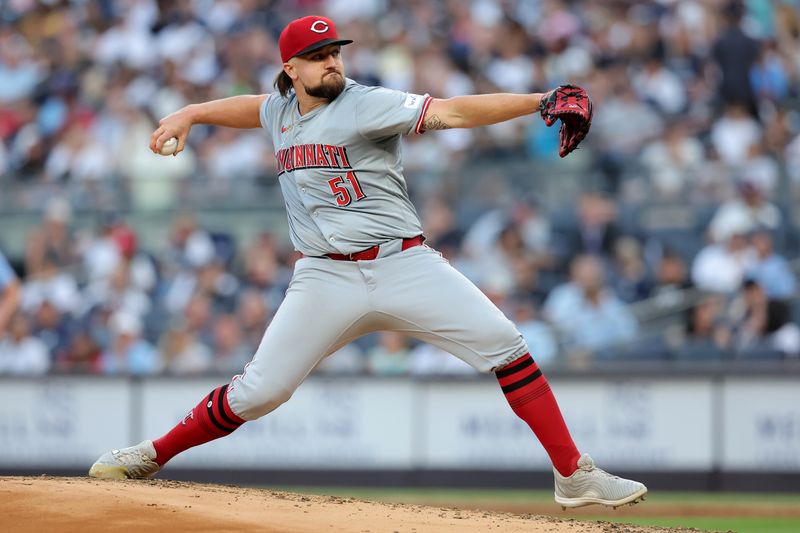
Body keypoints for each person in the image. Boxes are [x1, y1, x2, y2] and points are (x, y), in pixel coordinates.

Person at [89, 15, 646, 509]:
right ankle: (151, 454)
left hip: (404, 263)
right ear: (291, 69)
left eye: (334, 52)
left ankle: (574, 476)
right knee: (259, 392)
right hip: (325, 275)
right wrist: (191, 112)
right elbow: (249, 109)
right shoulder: (279, 110)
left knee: (507, 345)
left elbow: (450, 112)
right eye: (317, 57)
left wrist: (537, 102)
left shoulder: (364, 102)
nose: (331, 62)